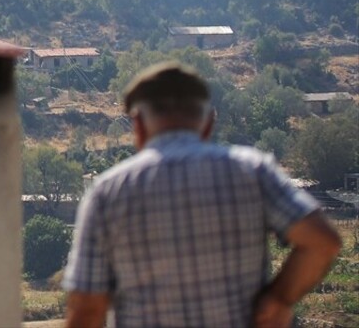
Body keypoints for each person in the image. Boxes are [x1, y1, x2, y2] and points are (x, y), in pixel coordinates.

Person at [63, 61, 342, 328]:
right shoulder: (252, 171)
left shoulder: (108, 192)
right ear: (209, 122)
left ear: (138, 125)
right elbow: (322, 241)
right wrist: (279, 299)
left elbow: (87, 308)